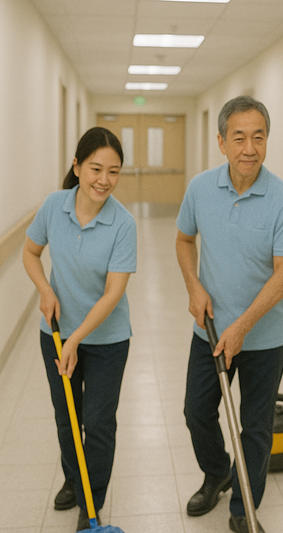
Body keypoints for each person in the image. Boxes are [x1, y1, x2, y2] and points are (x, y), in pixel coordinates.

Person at [176, 95, 283, 533]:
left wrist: (242, 327)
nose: (249, 147)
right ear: (222, 142)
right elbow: (183, 240)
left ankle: (241, 512)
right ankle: (217, 472)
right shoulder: (199, 189)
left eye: (259, 137)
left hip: (264, 339)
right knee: (196, 412)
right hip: (209, 332)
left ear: (267, 140)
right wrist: (194, 286)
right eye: (239, 137)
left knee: (255, 428)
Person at [23, 127, 136, 532]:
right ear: (76, 165)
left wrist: (76, 338)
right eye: (95, 168)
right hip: (53, 332)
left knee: (99, 421)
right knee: (66, 416)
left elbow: (113, 294)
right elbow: (31, 251)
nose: (104, 179)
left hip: (106, 340)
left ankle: (93, 504)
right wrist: (44, 288)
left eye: (114, 171)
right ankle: (75, 480)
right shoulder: (55, 206)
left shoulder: (123, 223)